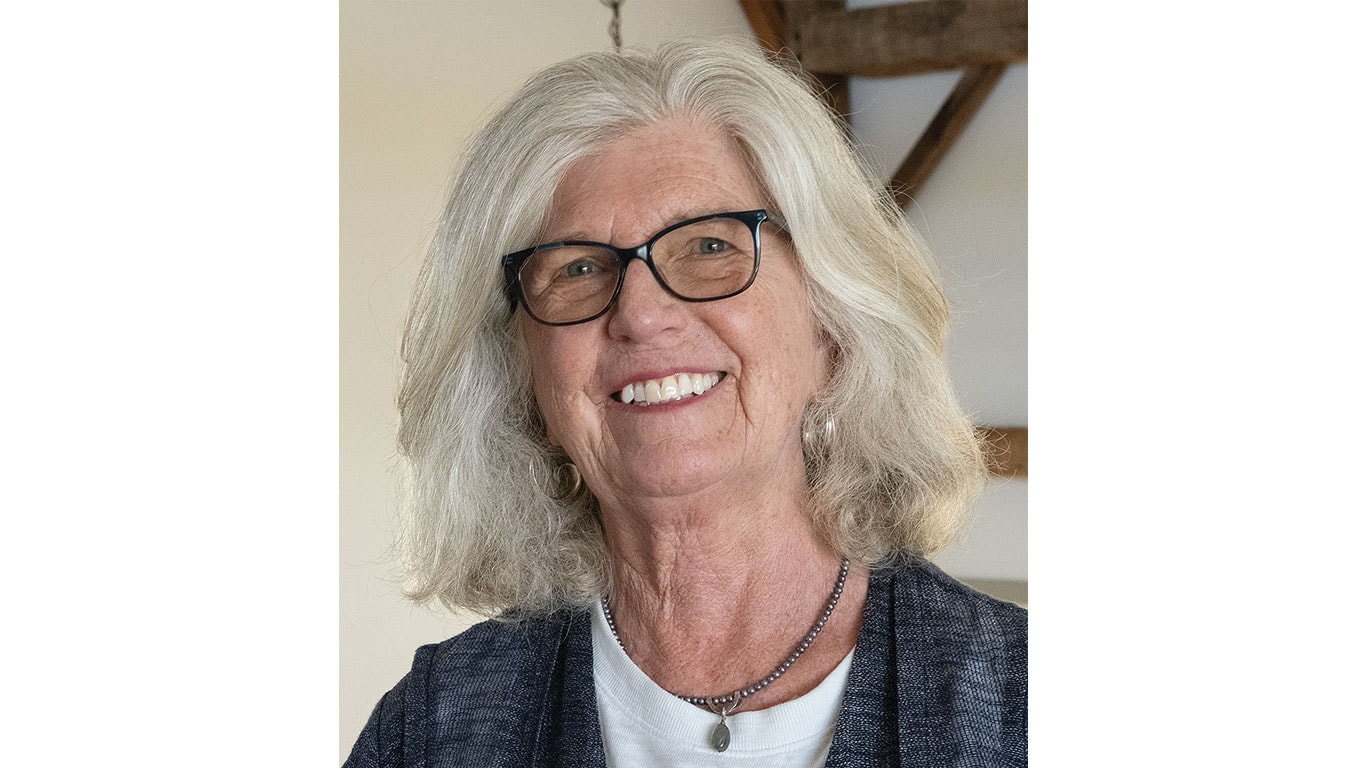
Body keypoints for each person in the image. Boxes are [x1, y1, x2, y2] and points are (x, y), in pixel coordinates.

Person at [345, 37, 1025, 768]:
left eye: (708, 247)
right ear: (520, 373)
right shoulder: (430, 729)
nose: (641, 314)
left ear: (832, 323)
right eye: (576, 267)